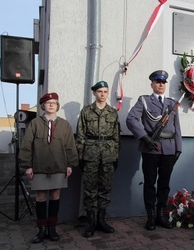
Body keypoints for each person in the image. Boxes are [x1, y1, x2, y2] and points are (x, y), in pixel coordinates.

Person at [19, 92, 78, 243]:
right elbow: (27, 145)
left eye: (54, 102)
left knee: (55, 195)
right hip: (39, 166)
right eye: (48, 102)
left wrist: (70, 164)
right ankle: (41, 229)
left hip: (59, 166)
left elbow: (70, 146)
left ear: (57, 106)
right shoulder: (35, 123)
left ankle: (52, 228)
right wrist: (28, 166)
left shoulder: (64, 125)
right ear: (43, 106)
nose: (51, 104)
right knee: (40, 196)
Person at [126, 70, 182, 230]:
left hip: (169, 148)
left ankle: (161, 215)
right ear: (152, 84)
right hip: (151, 147)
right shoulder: (144, 101)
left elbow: (177, 127)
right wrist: (144, 137)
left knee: (164, 183)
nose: (160, 85)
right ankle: (150, 217)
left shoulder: (172, 104)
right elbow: (131, 119)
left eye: (163, 82)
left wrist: (179, 147)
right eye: (157, 82)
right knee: (150, 183)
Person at [76, 81, 120, 237]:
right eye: (100, 91)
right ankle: (90, 222)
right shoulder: (86, 111)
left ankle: (101, 220)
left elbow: (116, 136)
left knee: (105, 188)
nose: (103, 94)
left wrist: (115, 156)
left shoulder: (113, 112)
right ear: (94, 93)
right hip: (90, 154)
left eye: (105, 91)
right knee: (89, 189)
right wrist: (80, 156)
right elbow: (80, 135)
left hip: (108, 155)